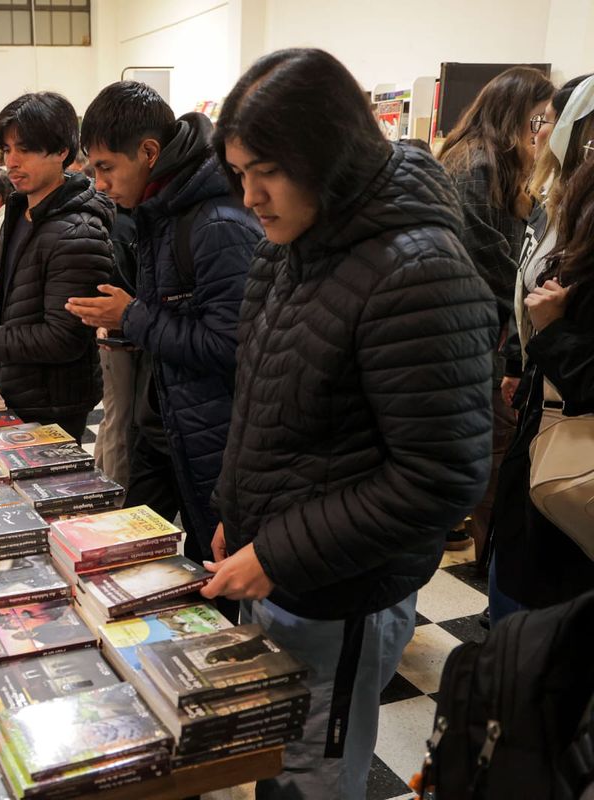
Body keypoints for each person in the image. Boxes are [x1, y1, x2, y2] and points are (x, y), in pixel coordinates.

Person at [204, 49, 497, 798]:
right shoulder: (290, 248)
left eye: (264, 170)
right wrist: (238, 515)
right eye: (240, 173)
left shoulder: (419, 268)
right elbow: (270, 403)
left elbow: (441, 476)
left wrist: (279, 550)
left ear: (323, 153)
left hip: (344, 590)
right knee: (278, 762)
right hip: (280, 574)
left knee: (316, 774)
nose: (251, 196)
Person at [67, 80, 262, 562]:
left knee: (212, 583)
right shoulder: (161, 208)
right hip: (166, 424)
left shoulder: (217, 223)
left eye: (107, 168)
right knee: (132, 563)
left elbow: (231, 347)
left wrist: (131, 316)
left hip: (210, 437)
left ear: (150, 152)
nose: (100, 184)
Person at [0, 92, 112, 442]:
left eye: (24, 149)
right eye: (6, 150)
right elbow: (15, 290)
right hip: (17, 387)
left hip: (53, 399)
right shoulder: (23, 211)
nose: (11, 162)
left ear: (61, 151)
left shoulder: (78, 231)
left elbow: (64, 337)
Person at [489, 73, 594, 624]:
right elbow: (523, 288)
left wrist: (552, 331)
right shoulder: (553, 204)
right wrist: (520, 362)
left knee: (538, 622)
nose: (539, 132)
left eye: (548, 120)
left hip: (572, 452)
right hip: (540, 415)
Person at [437, 66, 554, 559]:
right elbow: (487, 254)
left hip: (474, 331)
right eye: (537, 119)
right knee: (493, 447)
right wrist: (534, 287)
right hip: (471, 333)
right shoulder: (479, 163)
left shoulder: (485, 160)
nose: (541, 131)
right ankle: (492, 560)